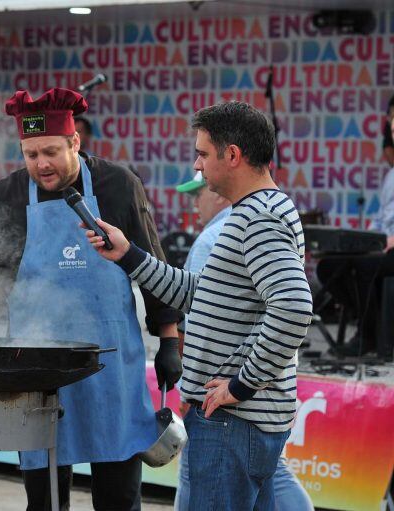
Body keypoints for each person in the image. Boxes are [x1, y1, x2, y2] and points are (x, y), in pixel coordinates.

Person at [0, 88, 183, 511]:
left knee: (118, 498)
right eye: (31, 153)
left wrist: (169, 340)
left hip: (109, 365)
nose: (41, 164)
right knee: (44, 501)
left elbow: (151, 263)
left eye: (52, 151)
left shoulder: (118, 185)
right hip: (39, 370)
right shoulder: (7, 195)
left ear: (75, 142)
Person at [85, 101, 313, 510]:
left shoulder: (256, 217)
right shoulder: (259, 210)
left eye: (204, 153)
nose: (197, 164)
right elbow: (201, 294)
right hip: (238, 421)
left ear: (232, 155)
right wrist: (129, 255)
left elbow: (294, 308)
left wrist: (241, 385)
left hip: (230, 422)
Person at [171, 172, 313, 511]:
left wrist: (235, 385)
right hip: (256, 397)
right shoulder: (271, 211)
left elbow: (199, 319)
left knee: (200, 484)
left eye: (199, 190)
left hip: (224, 401)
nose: (194, 202)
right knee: (267, 480)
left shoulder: (228, 231)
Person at [316, 116, 394, 357]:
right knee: (328, 267)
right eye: (392, 130)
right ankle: (369, 321)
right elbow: (381, 218)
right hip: (384, 244)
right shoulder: (391, 176)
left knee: (365, 264)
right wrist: (366, 237)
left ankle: (367, 335)